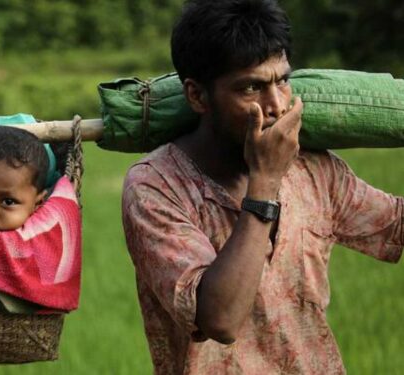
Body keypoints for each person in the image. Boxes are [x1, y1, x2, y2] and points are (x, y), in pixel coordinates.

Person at [121, 0, 404, 374]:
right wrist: (266, 181)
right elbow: (219, 320)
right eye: (252, 87)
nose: (276, 105)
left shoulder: (314, 169)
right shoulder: (156, 186)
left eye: (282, 81)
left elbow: (395, 225)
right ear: (197, 96)